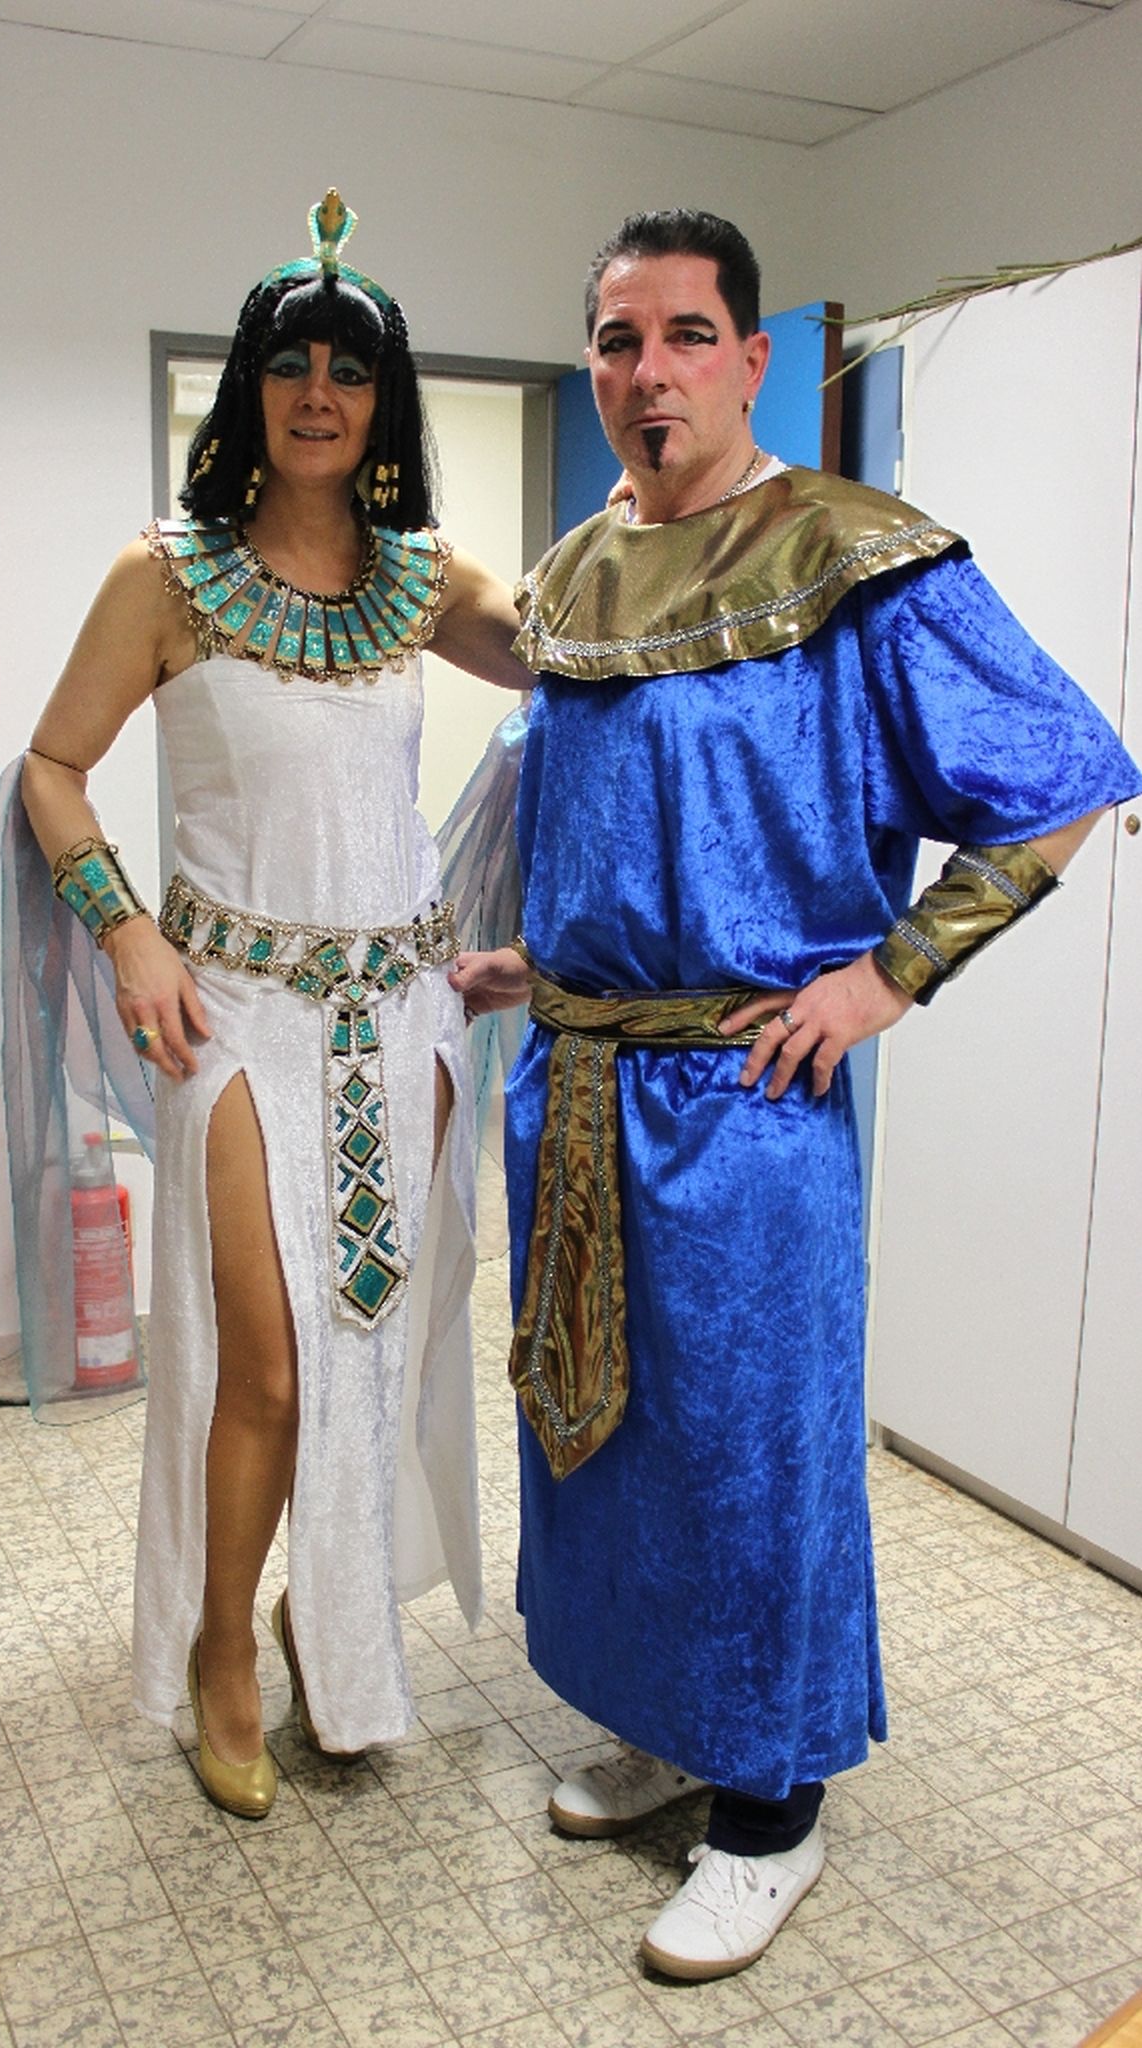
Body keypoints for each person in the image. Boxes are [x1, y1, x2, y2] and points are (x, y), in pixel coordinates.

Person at [449, 207, 1141, 1979]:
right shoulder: (569, 574)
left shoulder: (854, 554)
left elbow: (1062, 776)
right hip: (580, 1086)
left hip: (745, 1109)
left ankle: (771, 1807)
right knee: (604, 1443)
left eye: (686, 335)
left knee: (747, 1454)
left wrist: (885, 974)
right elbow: (610, 822)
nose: (649, 372)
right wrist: (545, 962)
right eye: (617, 339)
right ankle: (666, 1724)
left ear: (751, 358)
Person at [7, 191, 525, 1818]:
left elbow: (572, 661)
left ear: (383, 402)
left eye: (350, 371)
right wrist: (125, 935)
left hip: (405, 1017)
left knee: (375, 1353)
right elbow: (52, 768)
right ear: (248, 388)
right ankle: (220, 1644)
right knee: (270, 1365)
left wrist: (665, 545)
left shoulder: (423, 577)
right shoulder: (163, 576)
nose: (319, 393)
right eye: (291, 364)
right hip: (236, 1019)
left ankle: (335, 1624)